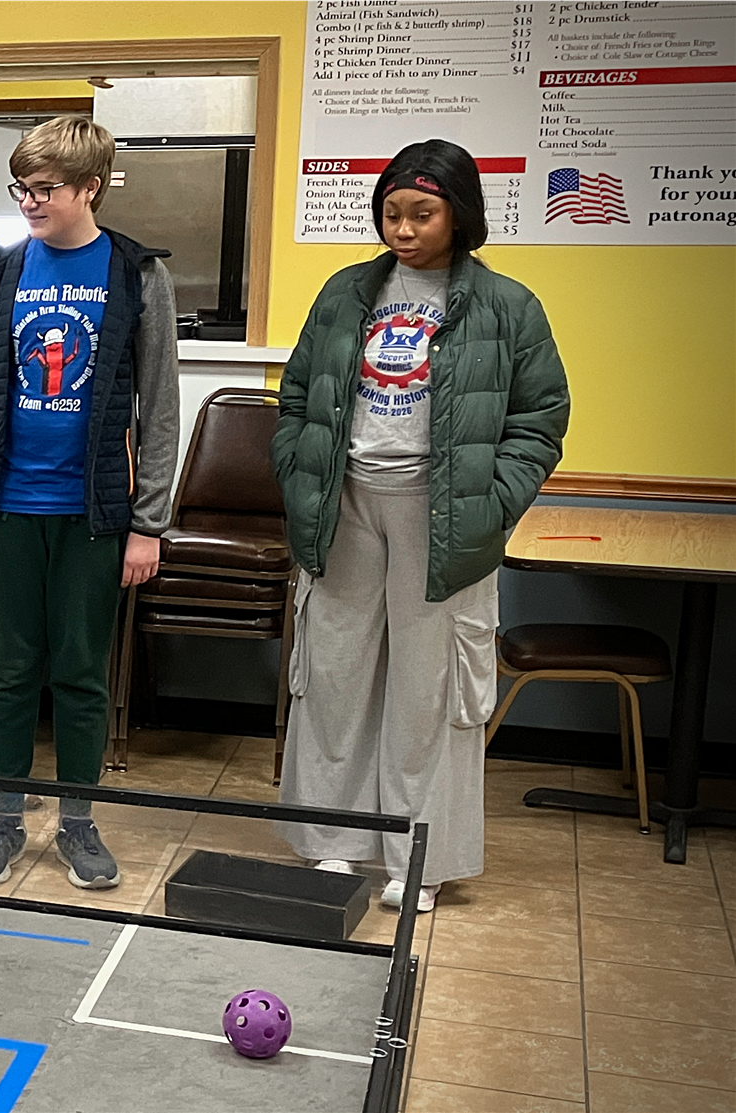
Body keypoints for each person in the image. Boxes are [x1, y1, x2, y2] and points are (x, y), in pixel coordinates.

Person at [273, 139, 569, 913]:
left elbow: (540, 416)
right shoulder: (346, 292)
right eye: (391, 213)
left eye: (421, 214)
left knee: (429, 691)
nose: (402, 229)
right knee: (334, 674)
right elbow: (298, 394)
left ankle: (419, 859)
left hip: (445, 518)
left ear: (458, 215)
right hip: (344, 504)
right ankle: (333, 841)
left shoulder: (507, 305)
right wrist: (299, 474)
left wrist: (492, 503)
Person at [0, 116, 180, 890]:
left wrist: (148, 525)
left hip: (93, 516)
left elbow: (160, 409)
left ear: (90, 188)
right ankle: (5, 816)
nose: (30, 202)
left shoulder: (137, 274)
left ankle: (78, 822)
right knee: (9, 670)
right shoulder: (2, 270)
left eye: (45, 189)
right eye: (23, 188)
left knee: (80, 673)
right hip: (6, 510)